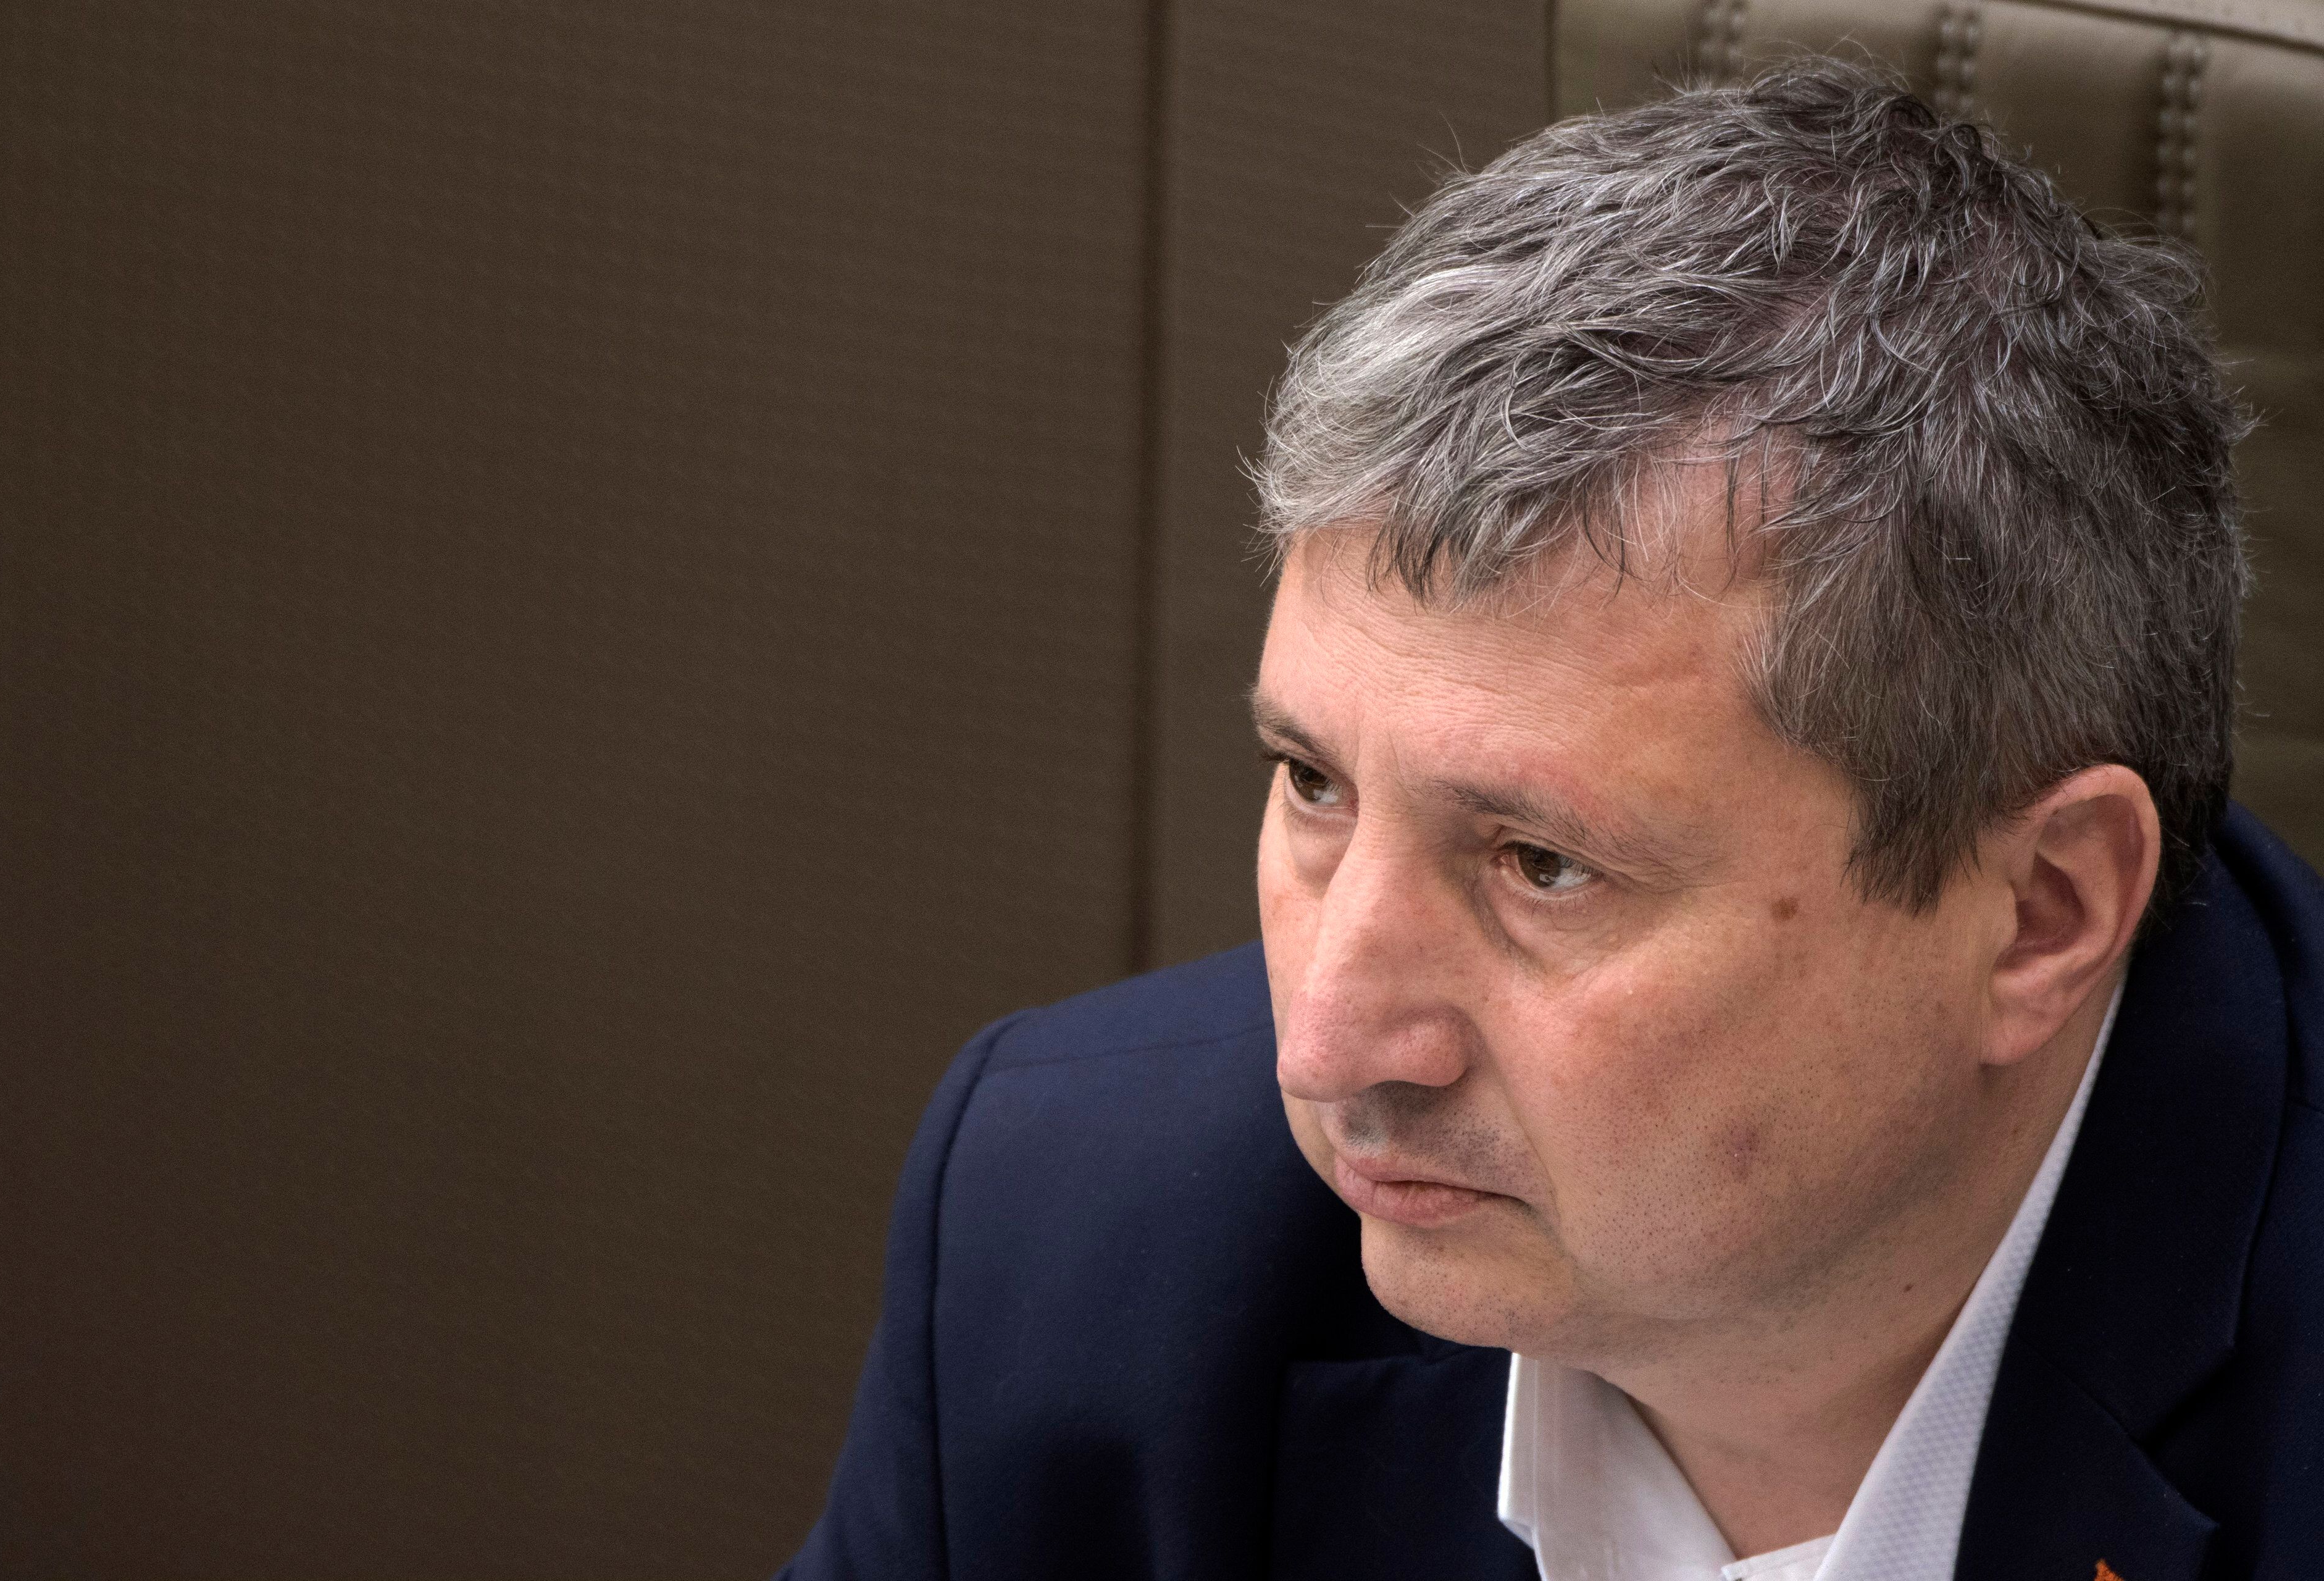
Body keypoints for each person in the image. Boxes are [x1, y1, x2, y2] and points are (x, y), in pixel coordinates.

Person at [780, 60, 2323, 1581]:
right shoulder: (1079, 1248)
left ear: (2041, 912)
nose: (1327, 1044)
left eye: (1542, 864)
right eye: (1314, 782)